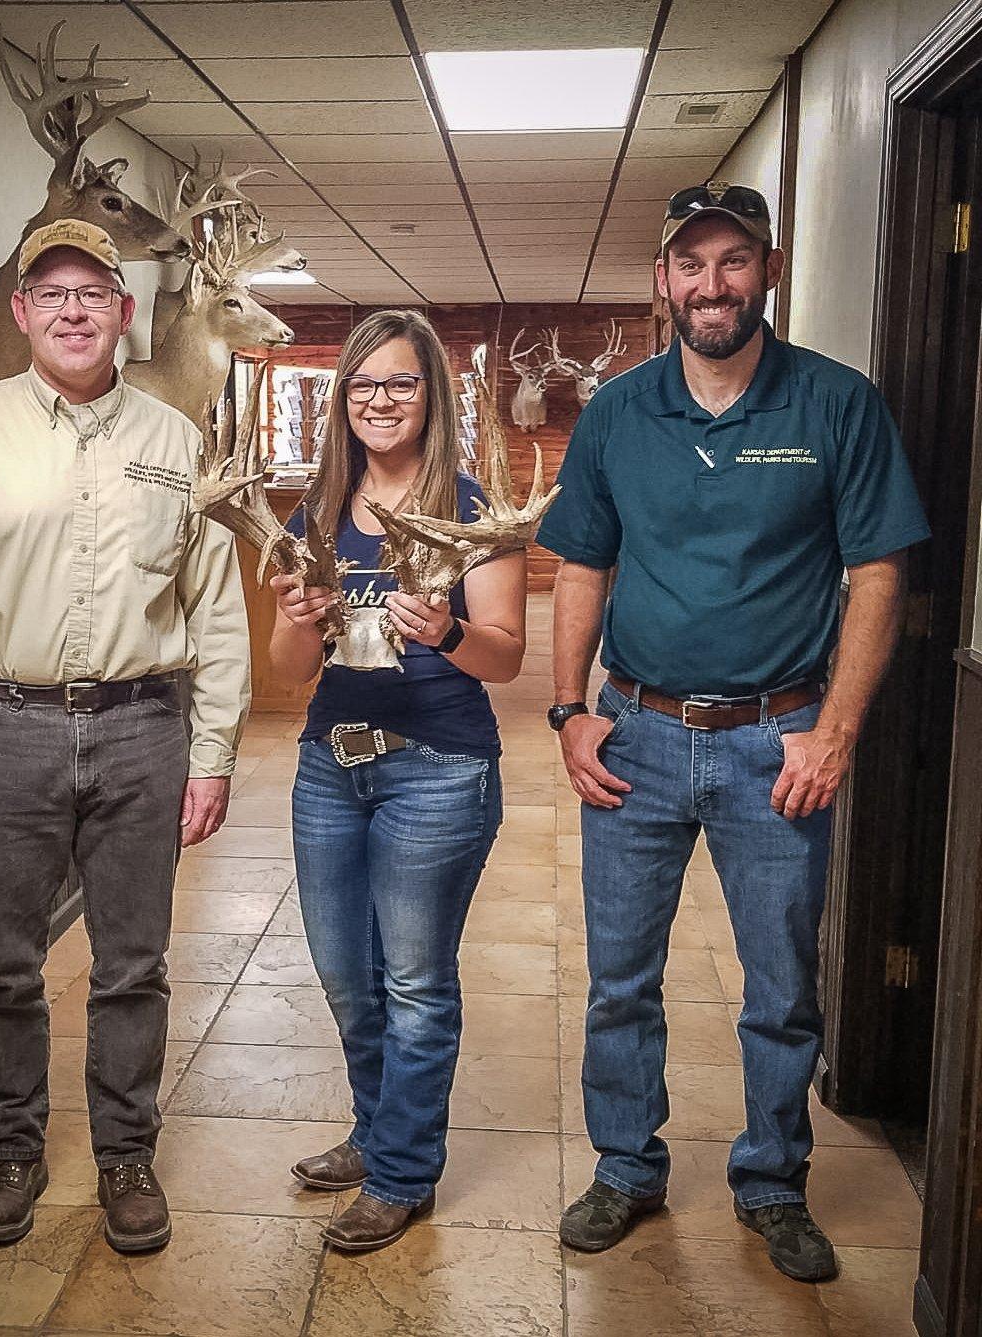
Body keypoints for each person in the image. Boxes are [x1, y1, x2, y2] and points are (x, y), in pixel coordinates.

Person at [539, 182, 930, 1282]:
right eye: (690, 264)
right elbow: (582, 563)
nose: (711, 285)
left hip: (780, 742)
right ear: (663, 279)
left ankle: (771, 1180)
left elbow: (879, 571)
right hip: (639, 738)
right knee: (619, 975)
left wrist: (836, 729)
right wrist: (571, 709)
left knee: (782, 983)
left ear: (768, 267)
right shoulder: (619, 411)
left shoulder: (837, 405)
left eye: (732, 261)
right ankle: (626, 1165)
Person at [0, 218, 250, 1254]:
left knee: (134, 962)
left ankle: (126, 1152)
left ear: (126, 313)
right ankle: (10, 1145)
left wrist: (214, 749)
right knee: (1, 961)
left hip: (144, 729)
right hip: (2, 728)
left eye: (94, 291)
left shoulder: (177, 443)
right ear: (21, 312)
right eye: (52, 293)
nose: (75, 309)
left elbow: (215, 608)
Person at [268, 309, 527, 1252]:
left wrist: (447, 633)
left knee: (413, 980)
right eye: (363, 383)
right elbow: (291, 666)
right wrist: (300, 612)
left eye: (401, 383)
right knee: (347, 977)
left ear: (431, 397)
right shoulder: (317, 509)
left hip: (438, 772)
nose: (381, 399)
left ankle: (403, 1172)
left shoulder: (473, 513)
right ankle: (380, 1133)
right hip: (331, 766)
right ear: (343, 398)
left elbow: (504, 657)